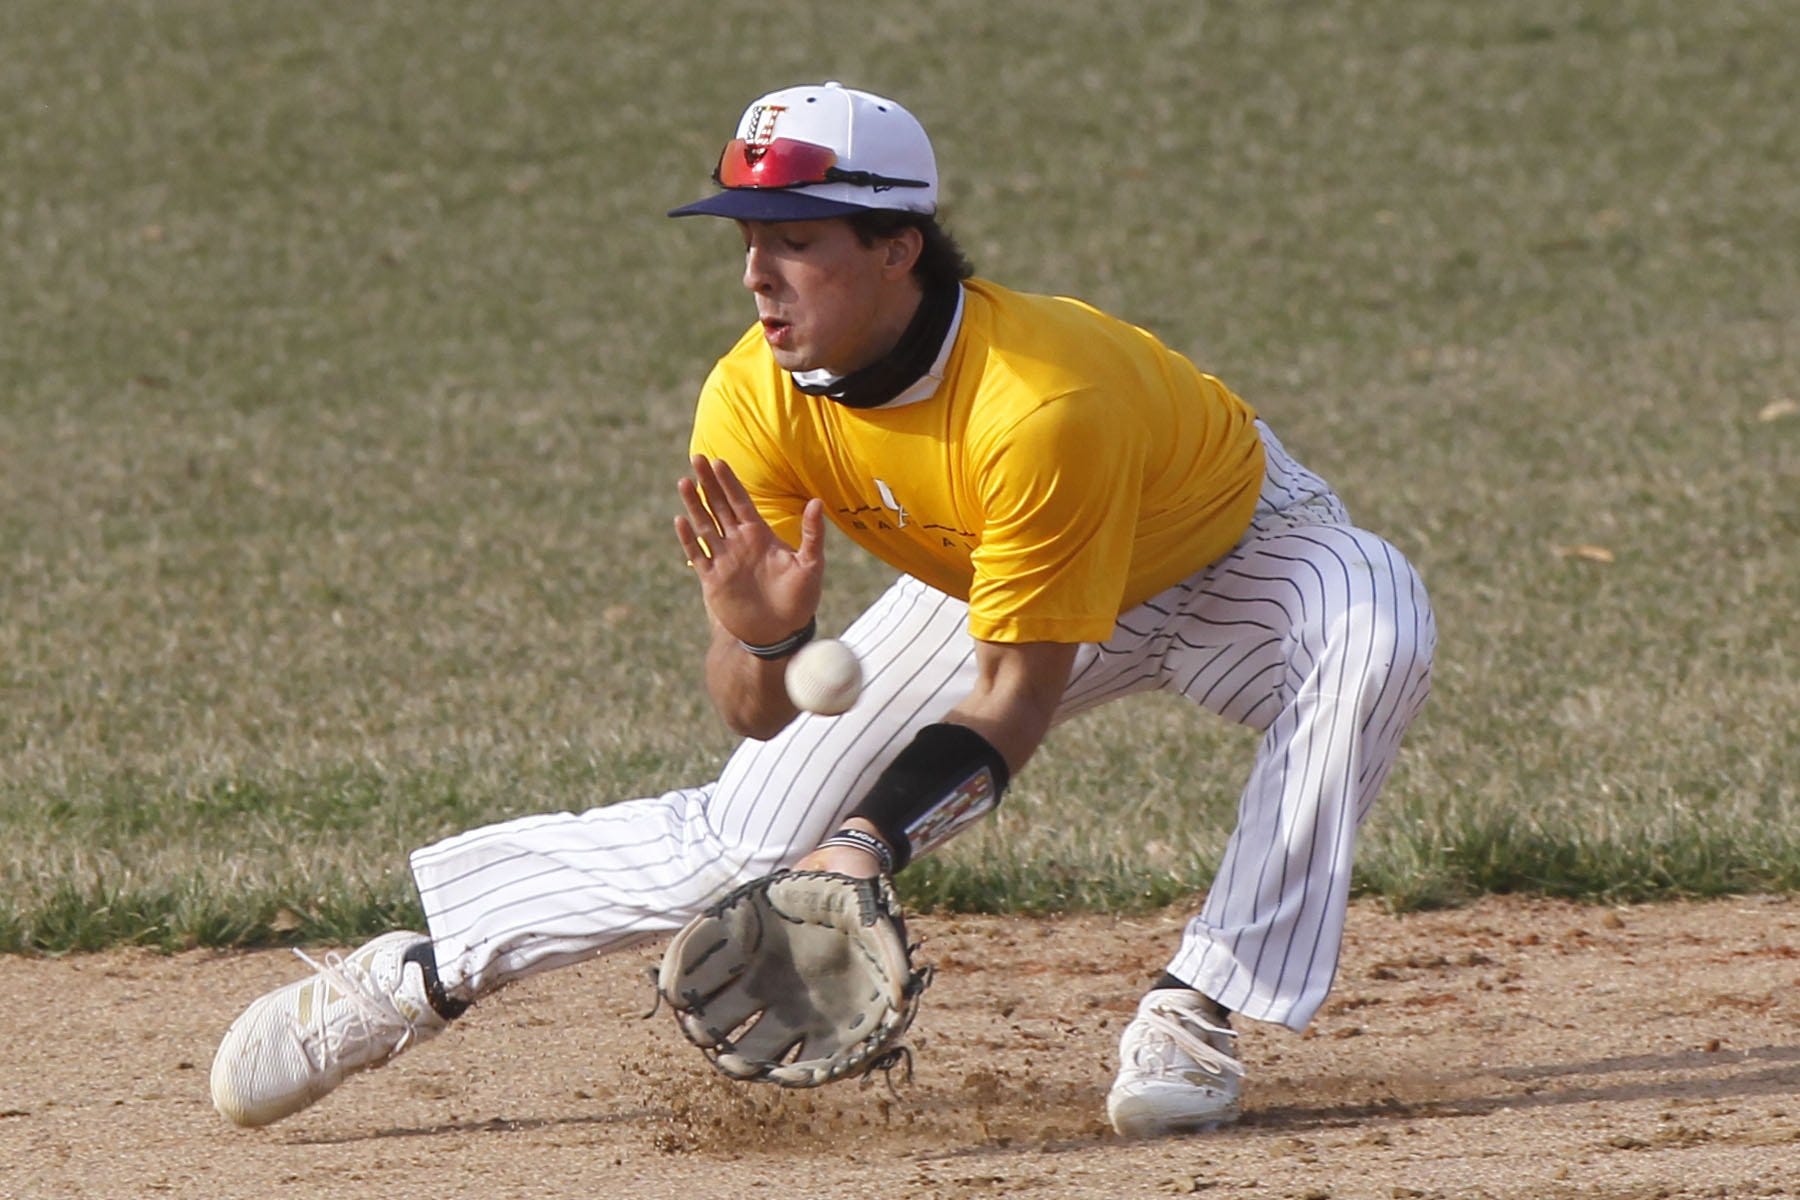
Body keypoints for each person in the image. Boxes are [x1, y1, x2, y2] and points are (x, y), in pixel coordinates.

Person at [209, 81, 1435, 1138]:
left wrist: (867, 842)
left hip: (1235, 561)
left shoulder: (1037, 403)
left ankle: (1195, 1008)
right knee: (748, 839)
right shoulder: (754, 398)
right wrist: (763, 635)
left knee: (1373, 621)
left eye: (794, 238)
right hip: (1000, 576)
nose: (755, 273)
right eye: (744, 235)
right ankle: (417, 974)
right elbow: (750, 712)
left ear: (898, 246)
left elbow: (1014, 700)